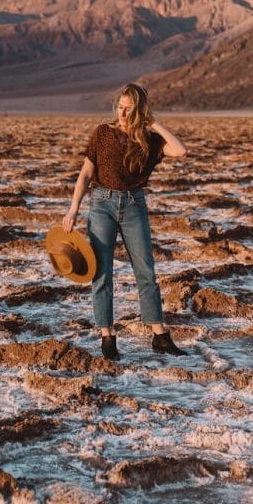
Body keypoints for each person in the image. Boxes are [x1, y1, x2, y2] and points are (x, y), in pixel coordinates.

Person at [63, 83, 188, 359]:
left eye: (128, 109)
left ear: (139, 112)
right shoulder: (103, 134)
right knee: (102, 272)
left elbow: (180, 150)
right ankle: (107, 338)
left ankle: (160, 335)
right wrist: (73, 209)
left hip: (133, 205)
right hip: (101, 205)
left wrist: (155, 125)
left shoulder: (148, 141)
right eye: (120, 107)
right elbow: (85, 174)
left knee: (146, 270)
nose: (122, 112)